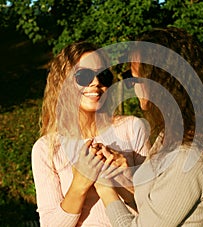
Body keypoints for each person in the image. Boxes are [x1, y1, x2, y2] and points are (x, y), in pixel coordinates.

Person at [94, 27, 203, 226]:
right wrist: (124, 172)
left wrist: (105, 189)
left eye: (136, 77)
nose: (132, 85)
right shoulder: (168, 138)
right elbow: (155, 206)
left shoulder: (187, 159)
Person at [31, 41, 149, 226]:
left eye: (103, 75)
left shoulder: (132, 129)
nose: (96, 82)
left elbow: (157, 209)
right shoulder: (46, 148)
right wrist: (80, 182)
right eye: (84, 76)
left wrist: (124, 178)